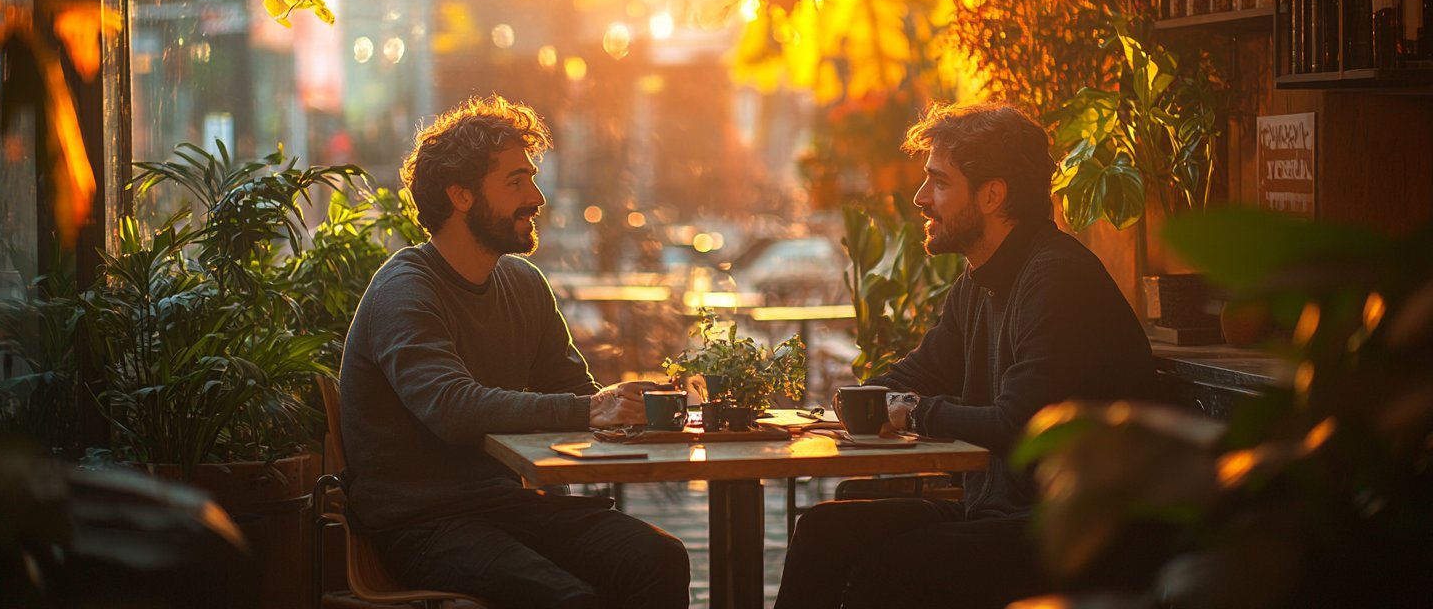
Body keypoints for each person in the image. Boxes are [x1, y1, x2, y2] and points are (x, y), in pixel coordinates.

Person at [775, 102, 1157, 609]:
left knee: (890, 573)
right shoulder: (977, 283)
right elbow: (918, 371)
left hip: (1068, 532)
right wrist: (861, 399)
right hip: (996, 515)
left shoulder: (1057, 278)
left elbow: (1015, 424)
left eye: (938, 182)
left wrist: (911, 411)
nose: (920, 198)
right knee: (823, 531)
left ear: (993, 195)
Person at [340, 95, 690, 609]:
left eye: (532, 177)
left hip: (511, 508)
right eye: (516, 181)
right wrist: (593, 409)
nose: (537, 197)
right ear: (460, 196)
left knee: (659, 557)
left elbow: (577, 396)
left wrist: (634, 409)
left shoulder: (523, 283)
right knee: (572, 601)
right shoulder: (405, 289)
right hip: (424, 525)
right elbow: (452, 409)